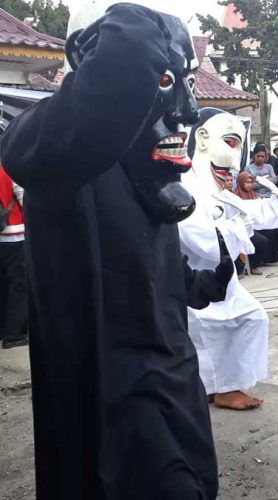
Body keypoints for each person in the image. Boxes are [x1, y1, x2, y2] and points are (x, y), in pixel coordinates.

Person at [0, 3, 226, 497]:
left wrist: (203, 285)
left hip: (172, 375)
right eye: (164, 81)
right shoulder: (56, 155)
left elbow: (153, 263)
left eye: (187, 83)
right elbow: (58, 133)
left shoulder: (146, 179)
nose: (188, 110)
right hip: (111, 393)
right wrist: (133, 24)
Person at [181, 109, 278, 411]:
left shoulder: (212, 187)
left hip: (221, 278)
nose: (235, 161)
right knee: (203, 331)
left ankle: (222, 387)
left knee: (252, 318)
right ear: (202, 138)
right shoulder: (184, 187)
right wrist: (238, 228)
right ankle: (218, 389)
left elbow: (246, 211)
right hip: (191, 278)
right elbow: (199, 237)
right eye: (231, 143)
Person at [0, 165, 27, 349]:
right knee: (19, 285)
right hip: (14, 232)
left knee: (4, 284)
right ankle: (14, 335)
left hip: (1, 237)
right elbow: (22, 195)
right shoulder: (9, 167)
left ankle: (4, 329)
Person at [235, 171, 278, 271]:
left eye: (251, 182)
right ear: (241, 182)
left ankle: (267, 259)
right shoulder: (235, 196)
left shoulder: (253, 194)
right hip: (244, 227)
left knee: (271, 231)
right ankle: (253, 265)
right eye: (246, 182)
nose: (249, 185)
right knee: (261, 240)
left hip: (255, 223)